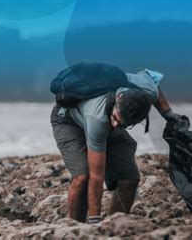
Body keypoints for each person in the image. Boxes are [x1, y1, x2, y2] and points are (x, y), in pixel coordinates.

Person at [50, 68, 181, 224]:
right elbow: (96, 176)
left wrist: (168, 113)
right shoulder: (97, 118)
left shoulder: (146, 91)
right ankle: (74, 227)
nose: (115, 124)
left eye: (123, 124)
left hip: (107, 120)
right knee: (82, 177)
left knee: (129, 179)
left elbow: (154, 83)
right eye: (116, 118)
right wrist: (95, 220)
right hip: (68, 121)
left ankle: (114, 224)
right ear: (119, 98)